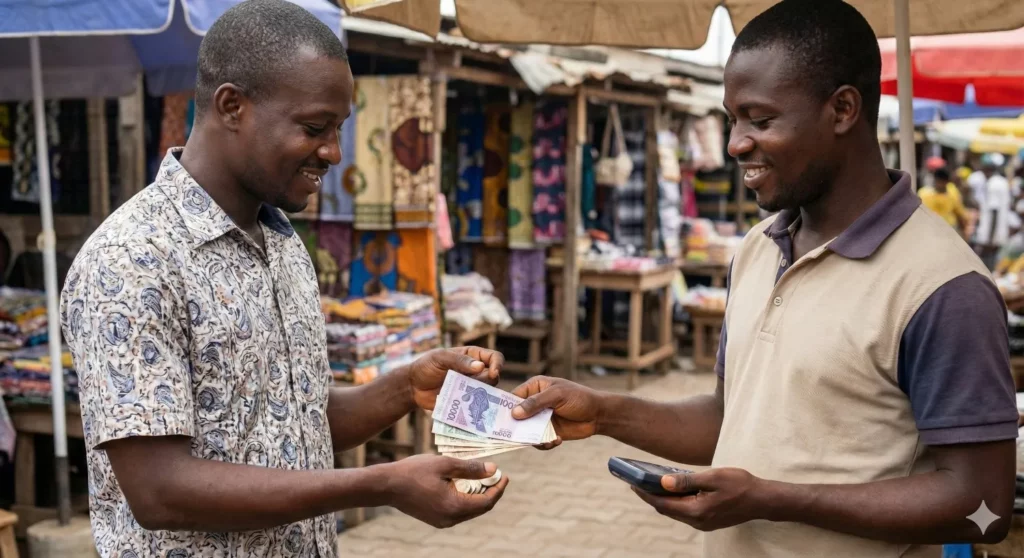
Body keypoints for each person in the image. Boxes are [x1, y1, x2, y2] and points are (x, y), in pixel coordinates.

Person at [513, 1, 1018, 557]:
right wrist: (603, 412)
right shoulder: (757, 249)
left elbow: (986, 508)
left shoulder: (944, 288)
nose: (735, 143)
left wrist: (770, 499)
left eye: (760, 119)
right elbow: (727, 417)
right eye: (732, 119)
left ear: (843, 109)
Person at [59, 2, 508, 556]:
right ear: (232, 106)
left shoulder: (282, 242)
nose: (334, 153)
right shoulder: (132, 260)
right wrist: (381, 484)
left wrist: (406, 387)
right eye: (315, 128)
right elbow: (159, 490)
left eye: (339, 129)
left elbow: (296, 422)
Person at [918, 167, 968, 235]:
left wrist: (964, 230)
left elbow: (959, 214)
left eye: (942, 182)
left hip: (949, 229)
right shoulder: (924, 194)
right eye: (938, 181)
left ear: (947, 182)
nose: (940, 184)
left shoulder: (953, 193)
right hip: (930, 230)